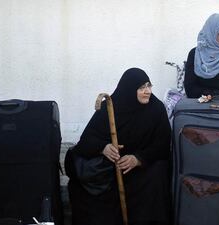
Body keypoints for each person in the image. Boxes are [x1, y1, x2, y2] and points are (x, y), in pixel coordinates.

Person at [67, 68, 172, 225]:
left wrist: (138, 159)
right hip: (112, 168)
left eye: (149, 86)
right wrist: (103, 147)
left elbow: (163, 145)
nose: (147, 91)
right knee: (82, 185)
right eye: (141, 87)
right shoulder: (110, 107)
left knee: (158, 173)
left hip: (140, 168)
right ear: (129, 89)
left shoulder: (156, 109)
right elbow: (86, 140)